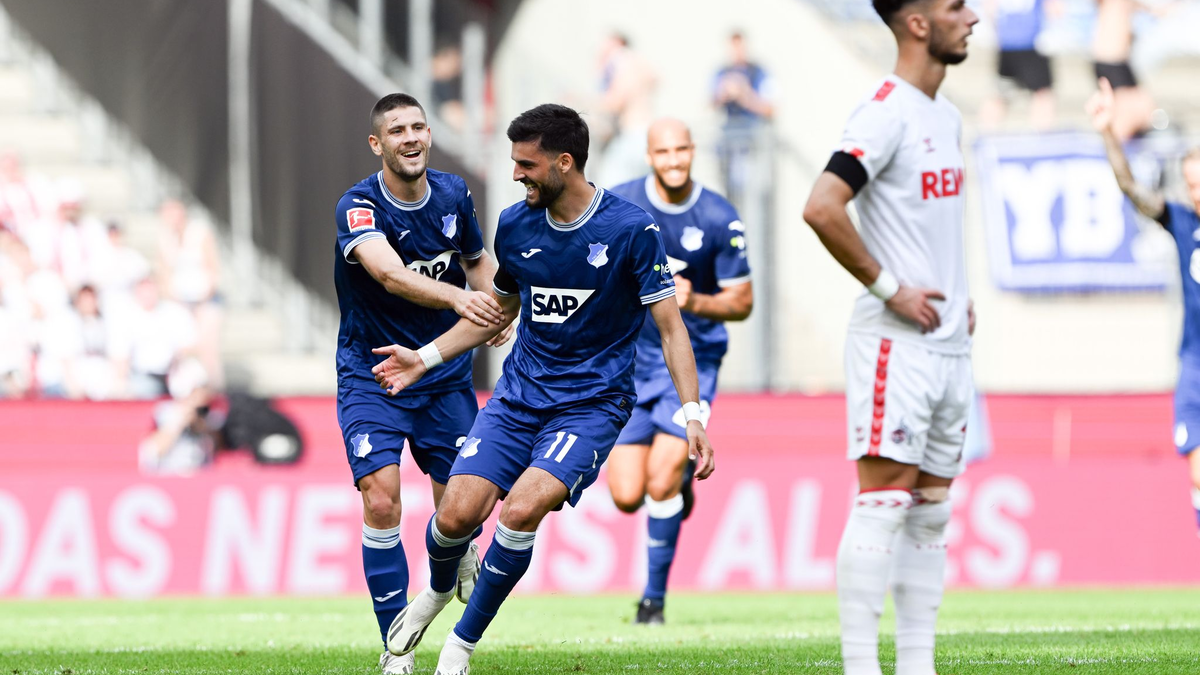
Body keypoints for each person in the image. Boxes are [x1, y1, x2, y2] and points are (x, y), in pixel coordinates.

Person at [372, 103, 716, 675]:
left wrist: (693, 415)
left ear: (564, 162)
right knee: (454, 518)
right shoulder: (515, 224)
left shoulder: (631, 230)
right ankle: (434, 592)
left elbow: (671, 328)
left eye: (526, 165)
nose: (516, 175)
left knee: (521, 510)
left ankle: (460, 647)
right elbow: (499, 309)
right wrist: (424, 359)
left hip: (591, 406)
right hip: (517, 398)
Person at [802, 2, 979, 674]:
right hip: (895, 344)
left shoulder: (947, 115)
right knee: (883, 501)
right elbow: (822, 205)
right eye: (955, 6)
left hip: (949, 343)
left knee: (931, 510)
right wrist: (890, 287)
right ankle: (860, 665)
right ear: (918, 24)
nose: (972, 17)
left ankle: (916, 665)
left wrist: (958, 292)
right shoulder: (884, 112)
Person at [333, 93, 511, 675]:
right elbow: (387, 273)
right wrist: (464, 300)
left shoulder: (455, 194)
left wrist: (496, 307)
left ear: (429, 134)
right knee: (381, 498)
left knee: (459, 508)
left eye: (418, 127)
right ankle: (397, 650)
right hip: (375, 373)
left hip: (442, 374)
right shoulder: (358, 206)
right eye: (396, 130)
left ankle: (459, 551)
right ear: (376, 144)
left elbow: (477, 261)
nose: (410, 137)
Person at [606, 118, 753, 625]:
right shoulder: (620, 204)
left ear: (693, 151)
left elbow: (743, 302)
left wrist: (697, 301)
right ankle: (680, 483)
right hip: (632, 362)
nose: (673, 160)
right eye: (663, 152)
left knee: (661, 480)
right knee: (627, 494)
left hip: (692, 361)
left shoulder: (718, 216)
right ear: (649, 156)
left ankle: (653, 602)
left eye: (681, 150)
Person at [1087, 77, 1200, 537]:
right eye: (1191, 184)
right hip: (1195, 365)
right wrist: (1107, 132)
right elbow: (1130, 187)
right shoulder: (1183, 222)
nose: (1196, 193)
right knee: (1198, 474)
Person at [711, 31, 776, 202]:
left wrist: (745, 95)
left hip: (753, 145)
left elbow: (771, 109)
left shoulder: (760, 73)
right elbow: (710, 103)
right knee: (731, 193)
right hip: (729, 146)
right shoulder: (722, 73)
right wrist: (724, 93)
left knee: (753, 195)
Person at [978, 0, 1057, 130]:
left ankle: (986, 130)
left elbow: (989, 8)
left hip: (1007, 45)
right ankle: (1043, 134)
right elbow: (1055, 9)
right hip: (1031, 44)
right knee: (1042, 94)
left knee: (1000, 93)